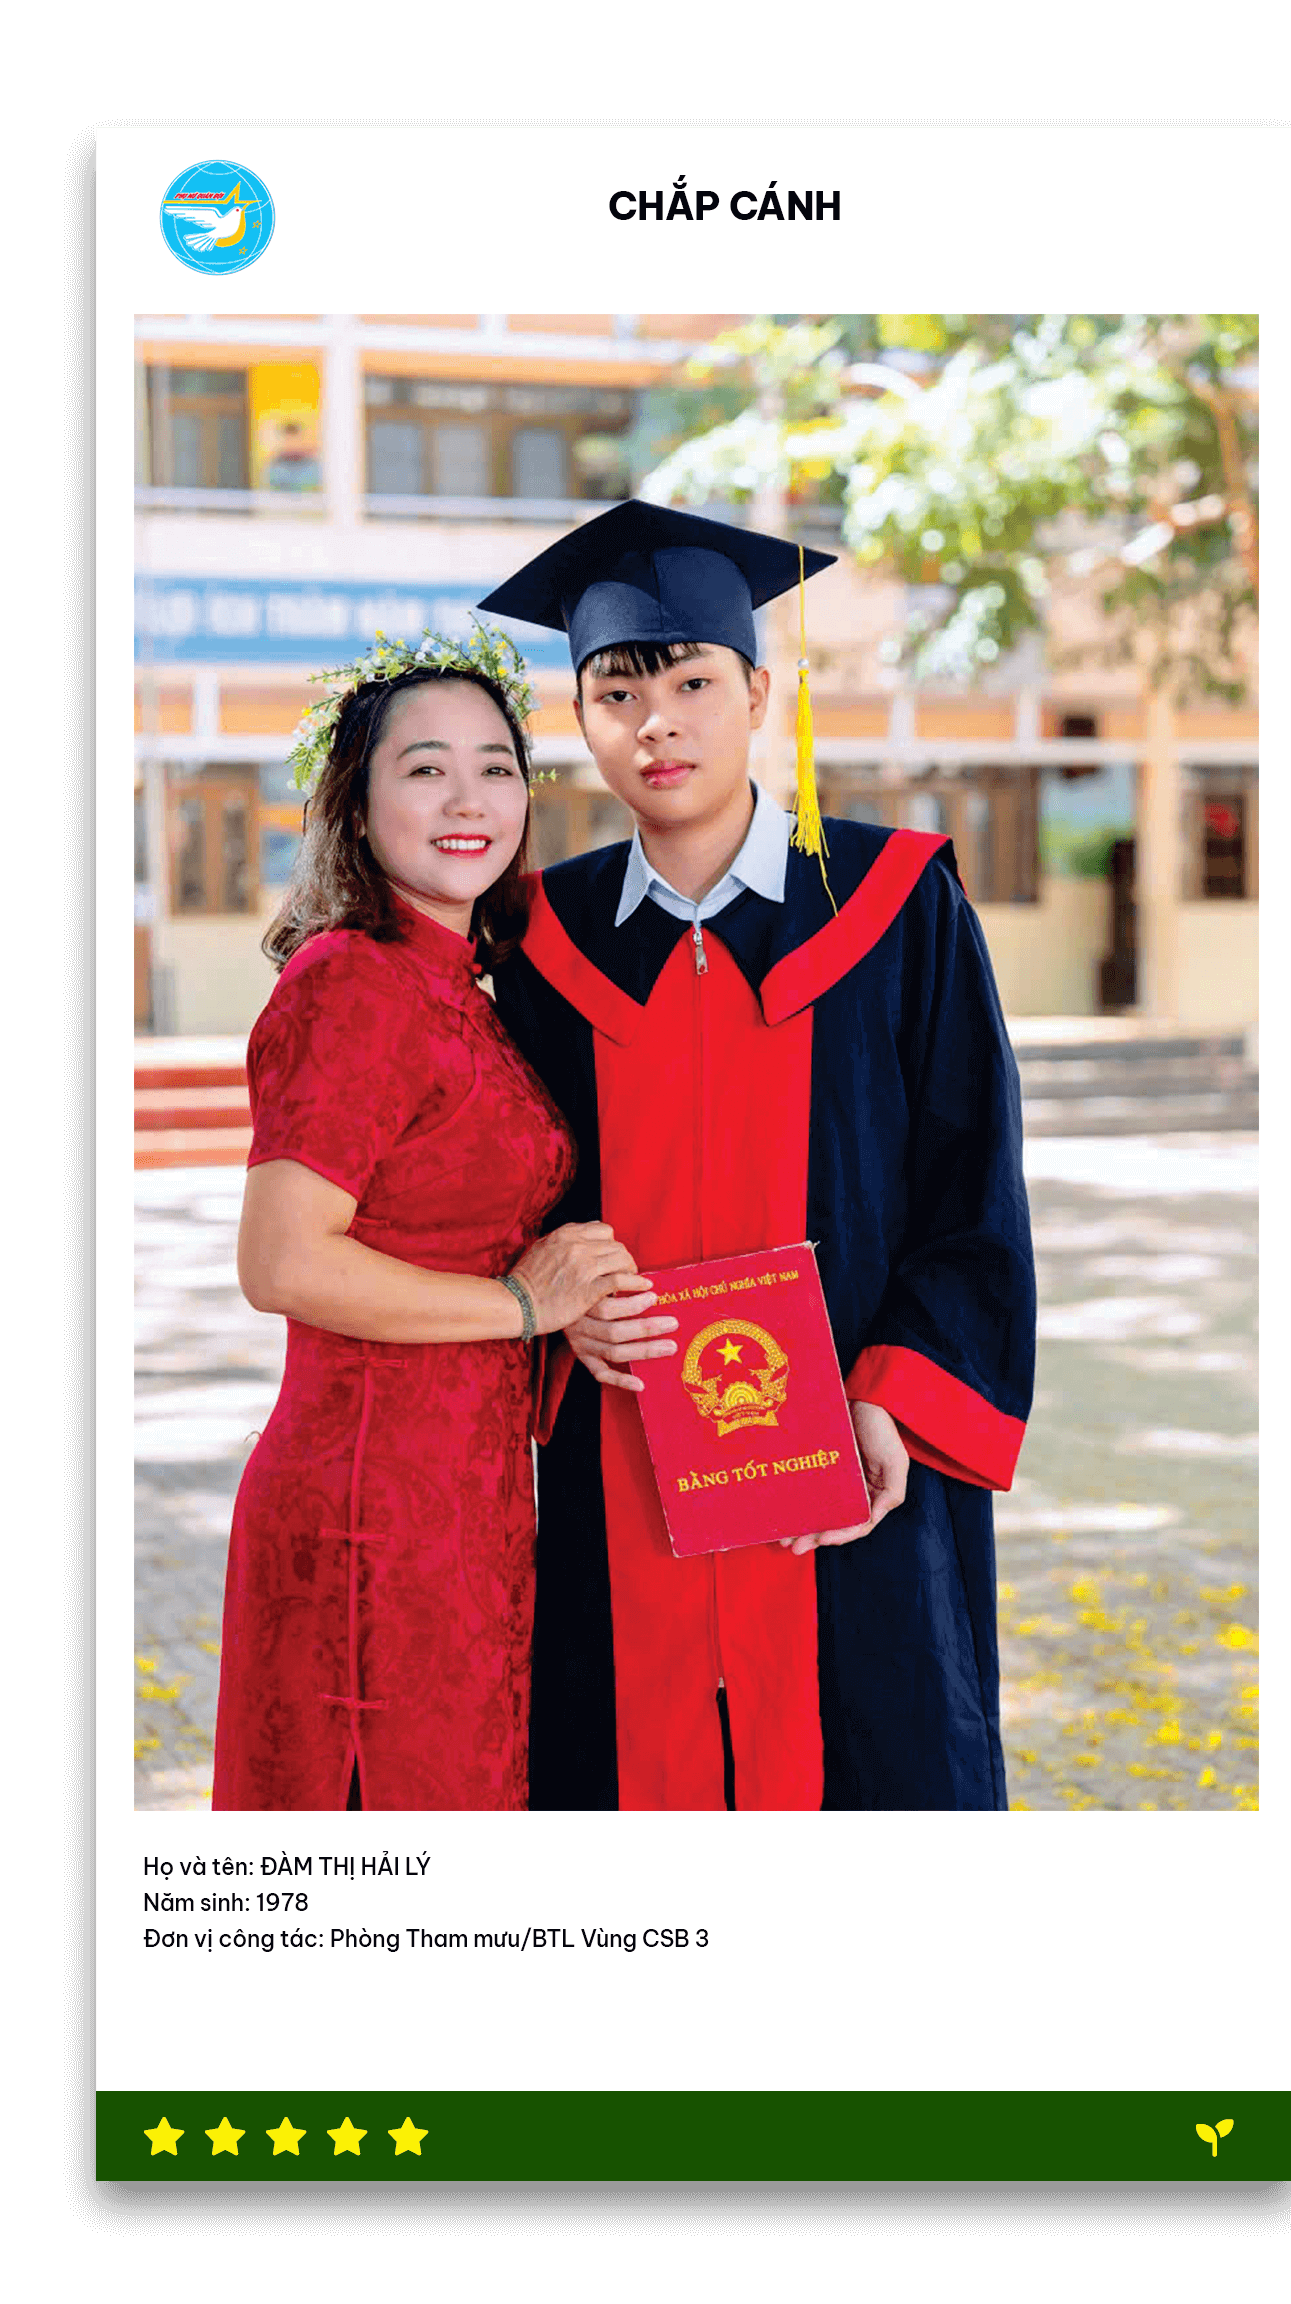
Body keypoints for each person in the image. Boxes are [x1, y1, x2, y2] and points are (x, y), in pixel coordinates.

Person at [480, 501, 1037, 1811]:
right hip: (623, 1461)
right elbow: (500, 1190)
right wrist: (551, 1311)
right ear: (581, 717)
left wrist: (893, 1401)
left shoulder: (895, 907)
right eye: (618, 692)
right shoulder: (543, 942)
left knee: (869, 1766)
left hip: (850, 1454)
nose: (656, 723)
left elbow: (974, 1189)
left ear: (758, 694)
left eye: (690, 683)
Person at [210, 625, 647, 1811]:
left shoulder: (459, 988)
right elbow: (282, 1261)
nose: (469, 800)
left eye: (496, 768)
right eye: (425, 768)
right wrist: (521, 1305)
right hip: (367, 1509)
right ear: (356, 808)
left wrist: (565, 1308)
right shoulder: (351, 982)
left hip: (467, 1502)